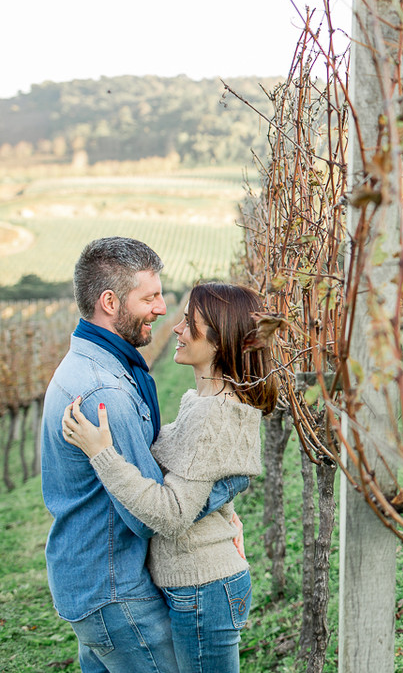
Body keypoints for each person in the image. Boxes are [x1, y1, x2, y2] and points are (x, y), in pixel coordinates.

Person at [42, 238, 248, 673]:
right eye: (150, 297)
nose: (161, 310)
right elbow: (151, 513)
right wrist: (222, 489)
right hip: (115, 588)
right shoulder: (106, 392)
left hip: (92, 577)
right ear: (110, 302)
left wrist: (222, 494)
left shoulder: (97, 365)